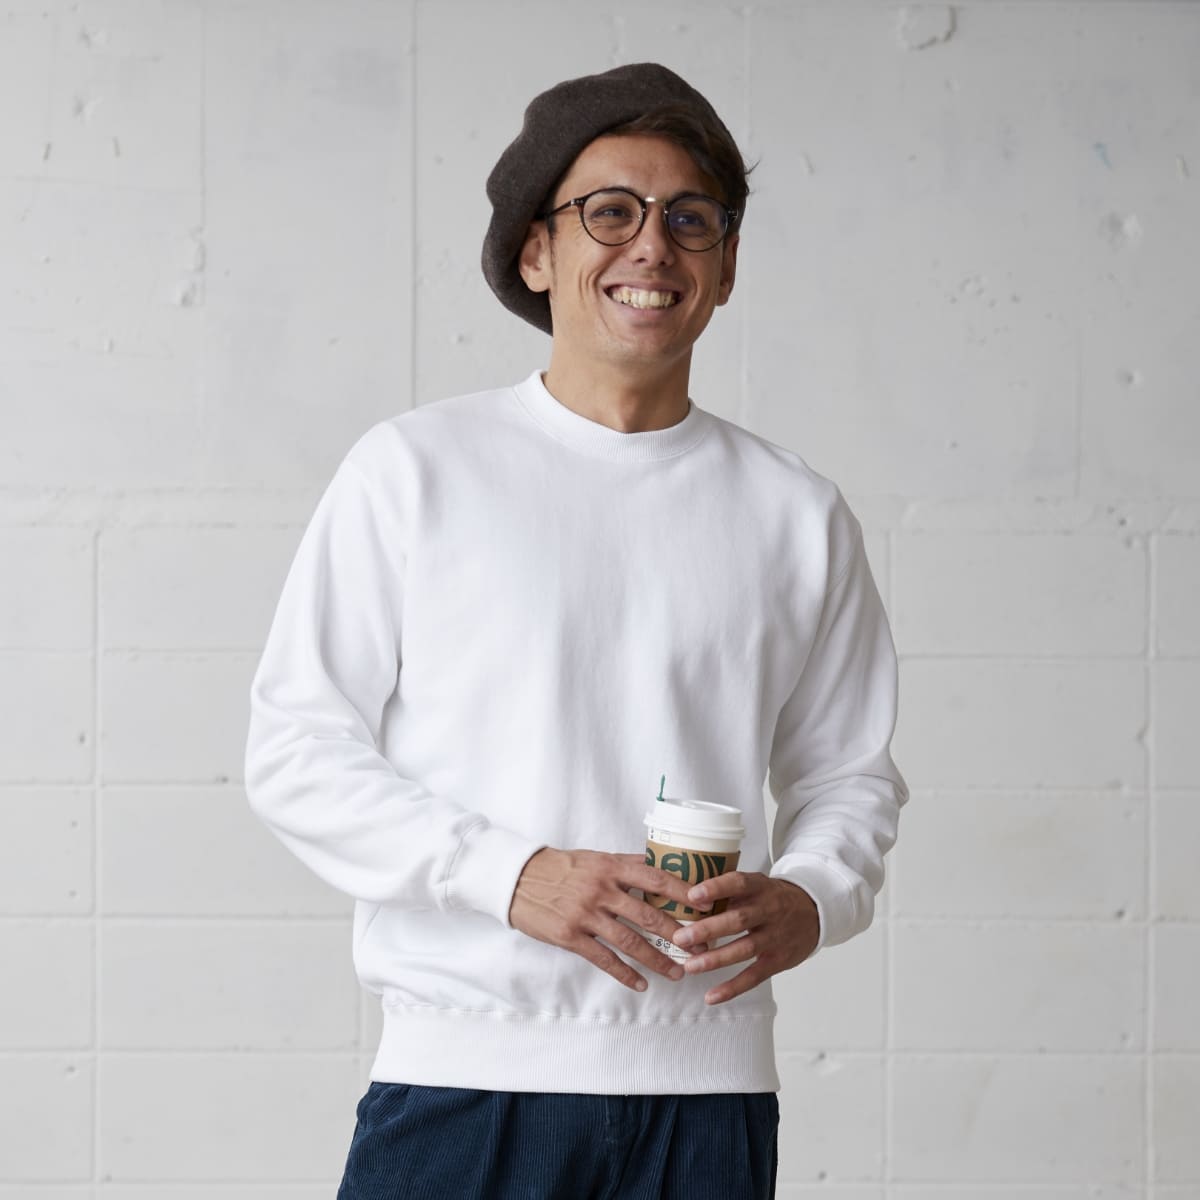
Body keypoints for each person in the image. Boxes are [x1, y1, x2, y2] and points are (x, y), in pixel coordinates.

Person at [245, 61, 907, 1200]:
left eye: (691, 218)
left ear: (726, 267)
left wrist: (812, 895)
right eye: (610, 212)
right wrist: (508, 876)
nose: (653, 246)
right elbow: (295, 750)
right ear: (535, 253)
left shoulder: (795, 512)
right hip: (463, 1084)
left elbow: (849, 776)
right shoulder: (417, 471)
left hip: (709, 1098)